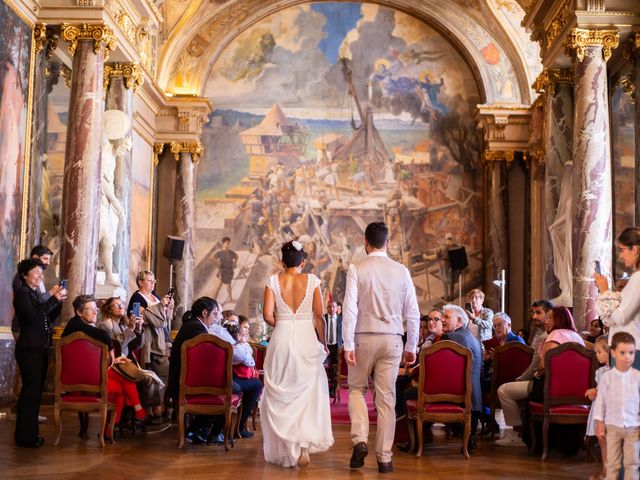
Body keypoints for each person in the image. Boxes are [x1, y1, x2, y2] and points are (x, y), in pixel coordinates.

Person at [342, 222, 420, 473]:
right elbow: (414, 312)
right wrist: (412, 345)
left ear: (365, 243)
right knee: (386, 398)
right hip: (393, 339)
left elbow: (350, 310)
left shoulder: (357, 268)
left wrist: (347, 344)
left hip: (363, 336)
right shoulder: (402, 270)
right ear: (388, 243)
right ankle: (384, 457)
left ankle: (360, 440)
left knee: (356, 389)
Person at [260, 240, 333, 467]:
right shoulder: (312, 281)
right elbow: (319, 316)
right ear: (303, 261)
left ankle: (288, 448)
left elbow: (267, 315)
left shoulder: (273, 281)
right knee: (306, 393)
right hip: (305, 338)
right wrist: (323, 341)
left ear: (282, 262)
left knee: (282, 393)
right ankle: (303, 447)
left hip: (281, 338)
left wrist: (281, 323)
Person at [62, 295, 150, 438]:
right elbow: (104, 337)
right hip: (81, 378)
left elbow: (89, 355)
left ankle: (110, 429)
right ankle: (138, 411)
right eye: (90, 309)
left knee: (121, 388)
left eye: (95, 309)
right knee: (125, 380)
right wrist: (111, 355)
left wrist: (113, 359)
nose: (95, 312)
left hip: (89, 373)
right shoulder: (76, 326)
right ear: (79, 312)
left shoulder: (83, 327)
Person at [497, 304, 584, 447]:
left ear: (560, 319)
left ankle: (518, 434)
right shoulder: (576, 336)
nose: (547, 321)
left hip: (550, 388)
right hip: (575, 391)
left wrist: (537, 374)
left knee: (504, 390)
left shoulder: (554, 336)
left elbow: (544, 365)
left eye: (550, 318)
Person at [13, 259, 66, 447]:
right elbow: (31, 317)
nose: (40, 276)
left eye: (40, 273)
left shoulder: (34, 293)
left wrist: (57, 302)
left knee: (35, 393)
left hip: (39, 347)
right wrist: (51, 297)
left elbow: (47, 316)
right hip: (29, 349)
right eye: (36, 272)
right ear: (25, 274)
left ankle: (30, 434)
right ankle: (24, 437)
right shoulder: (22, 294)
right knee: (30, 393)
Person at [495, 299, 553, 447]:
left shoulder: (545, 336)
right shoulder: (548, 333)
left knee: (503, 391)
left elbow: (536, 366)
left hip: (544, 383)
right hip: (550, 382)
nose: (534, 317)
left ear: (550, 315)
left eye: (538, 313)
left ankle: (518, 433)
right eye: (533, 313)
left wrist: (519, 379)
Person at [168, 296, 221, 444]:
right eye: (215, 314)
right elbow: (209, 352)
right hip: (184, 381)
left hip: (188, 378)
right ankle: (197, 430)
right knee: (230, 388)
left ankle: (201, 430)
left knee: (231, 386)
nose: (216, 318)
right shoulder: (196, 329)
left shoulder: (193, 325)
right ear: (205, 313)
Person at [592, 332, 640, 480]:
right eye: (622, 352)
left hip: (633, 427)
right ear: (613, 353)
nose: (627, 357)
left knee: (632, 463)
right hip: (612, 426)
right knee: (613, 463)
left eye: (631, 353)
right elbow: (601, 403)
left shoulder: (637, 377)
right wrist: (600, 424)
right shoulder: (607, 377)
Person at [595, 226, 640, 369]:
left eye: (622, 250)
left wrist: (605, 292)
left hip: (628, 350)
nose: (620, 256)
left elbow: (620, 318)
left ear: (634, 249)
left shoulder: (638, 278)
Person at [441, 304, 482, 447]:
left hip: (456, 395)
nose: (442, 320)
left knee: (410, 392)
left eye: (446, 317)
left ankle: (416, 441)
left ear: (459, 321)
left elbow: (439, 368)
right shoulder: (475, 340)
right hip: (474, 398)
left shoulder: (449, 337)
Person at [584, 336, 611, 480]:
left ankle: (609, 471)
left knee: (608, 440)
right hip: (599, 408)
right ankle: (605, 468)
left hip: (609, 411)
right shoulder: (601, 372)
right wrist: (594, 391)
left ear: (610, 351)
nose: (596, 355)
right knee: (602, 441)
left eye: (599, 352)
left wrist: (596, 392)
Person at [324, 299, 342, 397]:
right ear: (327, 308)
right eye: (329, 307)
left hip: (336, 347)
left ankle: (333, 390)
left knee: (336, 370)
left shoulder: (341, 319)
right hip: (325, 347)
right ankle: (325, 388)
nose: (331, 308)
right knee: (326, 368)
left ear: (337, 308)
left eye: (333, 307)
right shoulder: (323, 318)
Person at [212, 237, 238, 304]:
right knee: (219, 285)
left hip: (229, 270)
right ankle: (214, 300)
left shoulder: (231, 252)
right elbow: (211, 257)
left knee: (229, 285)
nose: (228, 245)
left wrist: (234, 263)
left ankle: (230, 299)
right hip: (222, 270)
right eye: (227, 243)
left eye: (229, 243)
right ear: (223, 243)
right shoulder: (220, 252)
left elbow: (237, 256)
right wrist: (217, 263)